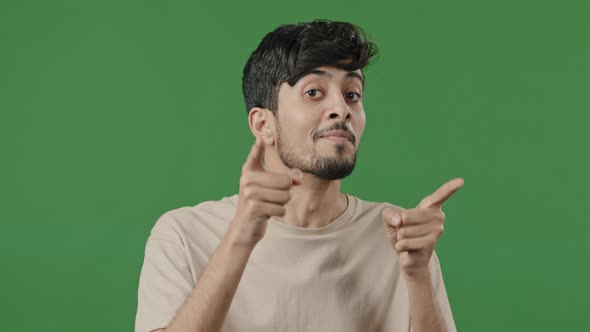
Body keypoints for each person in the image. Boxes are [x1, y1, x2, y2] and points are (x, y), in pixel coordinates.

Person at [135, 19, 464, 332]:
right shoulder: (183, 236)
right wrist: (242, 236)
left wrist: (418, 274)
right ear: (263, 124)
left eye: (352, 94)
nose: (341, 108)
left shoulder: (402, 240)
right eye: (314, 93)